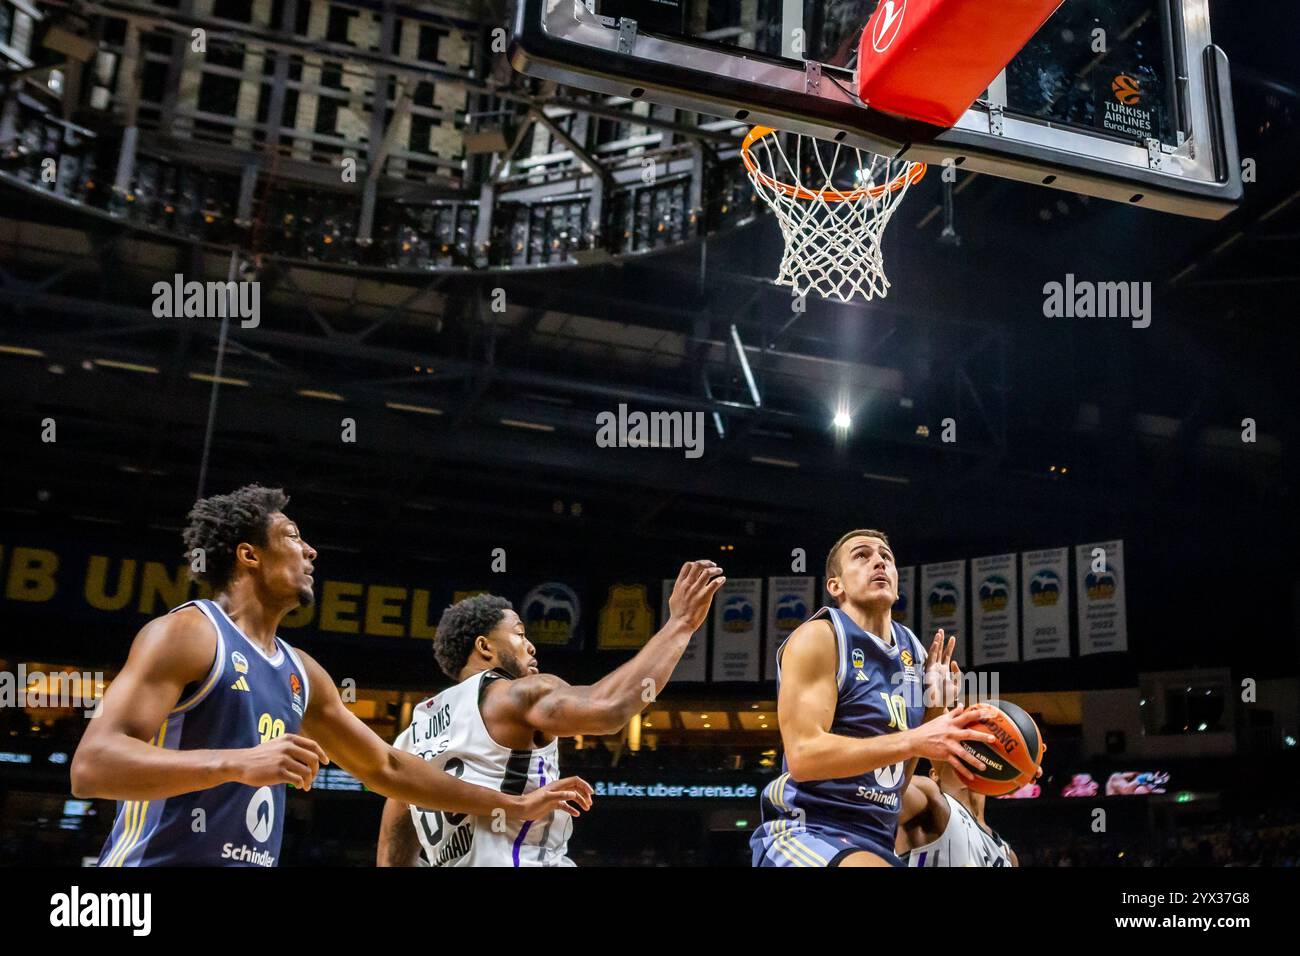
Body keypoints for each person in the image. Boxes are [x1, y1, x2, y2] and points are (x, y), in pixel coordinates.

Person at [72, 484, 589, 867]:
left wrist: (512, 802)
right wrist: (237, 762)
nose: (310, 550)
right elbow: (92, 767)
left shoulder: (302, 674)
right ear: (248, 555)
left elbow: (389, 767)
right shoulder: (189, 633)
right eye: (292, 537)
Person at [377, 559, 725, 866]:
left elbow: (394, 845)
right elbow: (609, 709)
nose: (530, 645)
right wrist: (681, 624)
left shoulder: (413, 733)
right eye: (518, 634)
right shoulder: (512, 694)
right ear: (484, 647)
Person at [750, 528, 996, 867]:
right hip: (808, 830)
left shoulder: (913, 652)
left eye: (886, 557)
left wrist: (936, 708)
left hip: (876, 838)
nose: (878, 560)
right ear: (836, 586)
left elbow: (897, 780)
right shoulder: (820, 637)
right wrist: (915, 738)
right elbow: (804, 757)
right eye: (862, 555)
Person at [896, 760, 1019, 866]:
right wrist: (915, 744)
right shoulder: (928, 797)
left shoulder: (1008, 855)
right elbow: (887, 801)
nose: (969, 760)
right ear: (934, 774)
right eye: (959, 755)